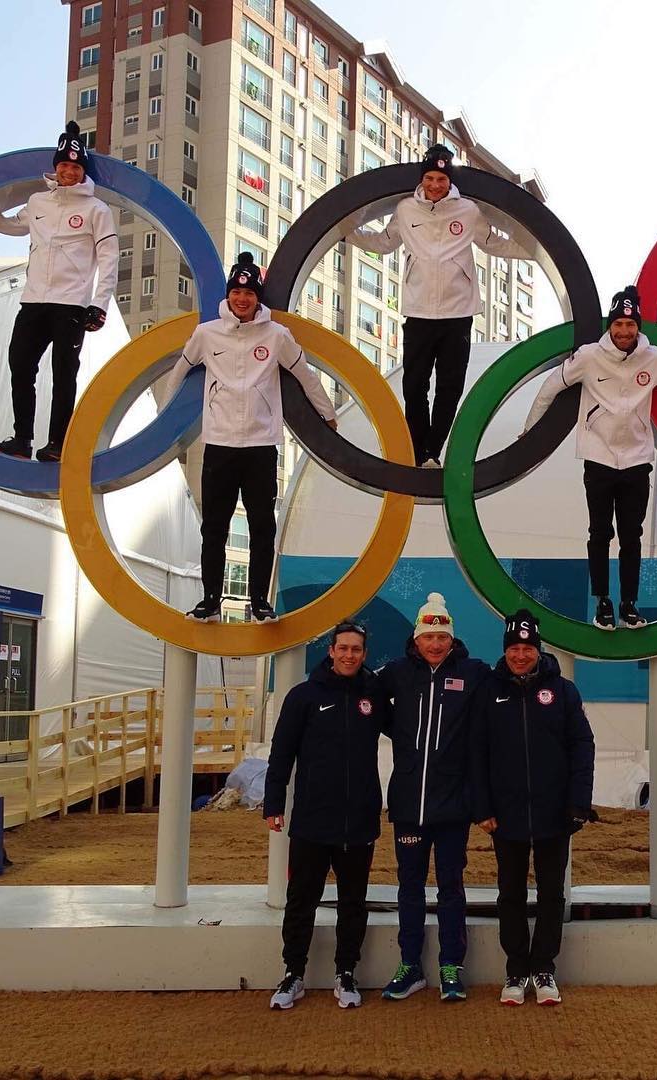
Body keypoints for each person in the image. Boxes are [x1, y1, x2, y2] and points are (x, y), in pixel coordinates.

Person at [164, 253, 338, 623]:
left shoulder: (277, 335)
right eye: (236, 291)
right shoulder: (207, 333)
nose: (242, 299)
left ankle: (258, 601)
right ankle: (210, 601)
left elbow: (305, 375)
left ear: (258, 298)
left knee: (262, 526)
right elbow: (180, 369)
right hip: (220, 443)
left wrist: (327, 412)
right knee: (214, 526)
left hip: (260, 444)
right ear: (228, 295)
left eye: (249, 292)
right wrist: (163, 418)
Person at [348, 145, 529, 468]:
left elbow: (494, 244)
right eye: (430, 178)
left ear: (450, 181)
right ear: (422, 179)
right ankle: (420, 452)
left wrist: (534, 250)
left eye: (441, 179)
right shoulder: (405, 210)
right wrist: (347, 230)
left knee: (450, 387)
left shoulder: (468, 211)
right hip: (418, 311)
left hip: (457, 313)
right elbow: (384, 243)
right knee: (413, 385)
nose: (435, 185)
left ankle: (432, 451)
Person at [524, 286, 657, 631]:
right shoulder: (588, 356)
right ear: (610, 325)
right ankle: (602, 602)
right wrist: (529, 432)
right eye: (618, 325)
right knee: (600, 532)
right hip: (598, 456)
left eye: (630, 325)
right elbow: (551, 386)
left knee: (632, 535)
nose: (624, 332)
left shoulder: (655, 358)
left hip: (637, 459)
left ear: (638, 326)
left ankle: (629, 604)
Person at [470, 609, 596, 1006]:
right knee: (509, 893)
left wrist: (578, 802)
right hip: (504, 816)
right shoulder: (489, 691)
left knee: (550, 894)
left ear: (538, 650)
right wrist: (482, 806)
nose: (520, 655)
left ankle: (544, 968)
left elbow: (582, 747)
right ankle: (515, 970)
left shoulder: (563, 691)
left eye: (527, 648)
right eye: (514, 648)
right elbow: (476, 754)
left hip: (553, 815)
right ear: (505, 650)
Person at [262, 620, 388, 1010]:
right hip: (313, 821)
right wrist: (273, 803)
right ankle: (292, 973)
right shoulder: (303, 696)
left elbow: (410, 734)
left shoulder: (374, 695)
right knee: (302, 899)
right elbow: (281, 753)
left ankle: (345, 972)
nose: (349, 655)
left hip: (359, 821)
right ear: (331, 651)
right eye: (343, 648)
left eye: (357, 649)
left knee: (354, 901)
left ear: (365, 655)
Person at [373, 592, 490, 1002]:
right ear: (417, 638)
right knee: (409, 887)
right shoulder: (399, 673)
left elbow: (514, 676)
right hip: (408, 804)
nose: (435, 645)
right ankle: (410, 966)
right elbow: (360, 688)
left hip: (453, 805)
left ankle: (451, 967)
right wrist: (399, 731)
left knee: (451, 887)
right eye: (428, 637)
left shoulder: (473, 673)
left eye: (442, 638)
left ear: (452, 639)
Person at [0, 121, 119, 463]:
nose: (69, 172)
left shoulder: (96, 210)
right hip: (33, 301)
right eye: (63, 166)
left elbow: (109, 258)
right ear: (55, 168)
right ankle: (21, 439)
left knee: (64, 372)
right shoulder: (38, 201)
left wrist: (99, 304)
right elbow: (14, 225)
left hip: (71, 304)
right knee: (20, 364)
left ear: (82, 170)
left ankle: (58, 443)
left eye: (75, 167)